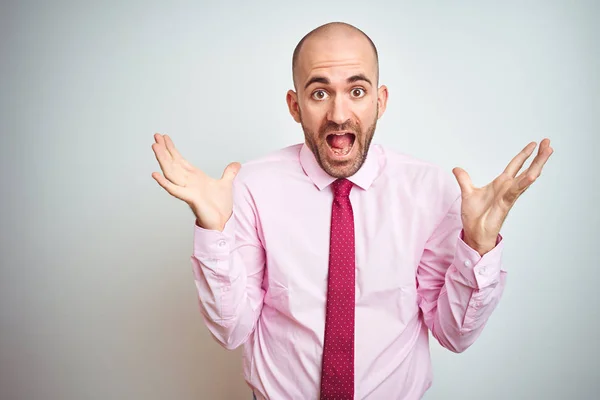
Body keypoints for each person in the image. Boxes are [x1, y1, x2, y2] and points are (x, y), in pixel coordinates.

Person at [151, 22, 553, 400]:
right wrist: (213, 229)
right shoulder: (251, 187)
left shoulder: (430, 190)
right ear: (295, 106)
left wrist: (478, 247)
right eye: (320, 93)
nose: (339, 114)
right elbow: (231, 329)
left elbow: (455, 335)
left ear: (380, 101)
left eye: (357, 92)